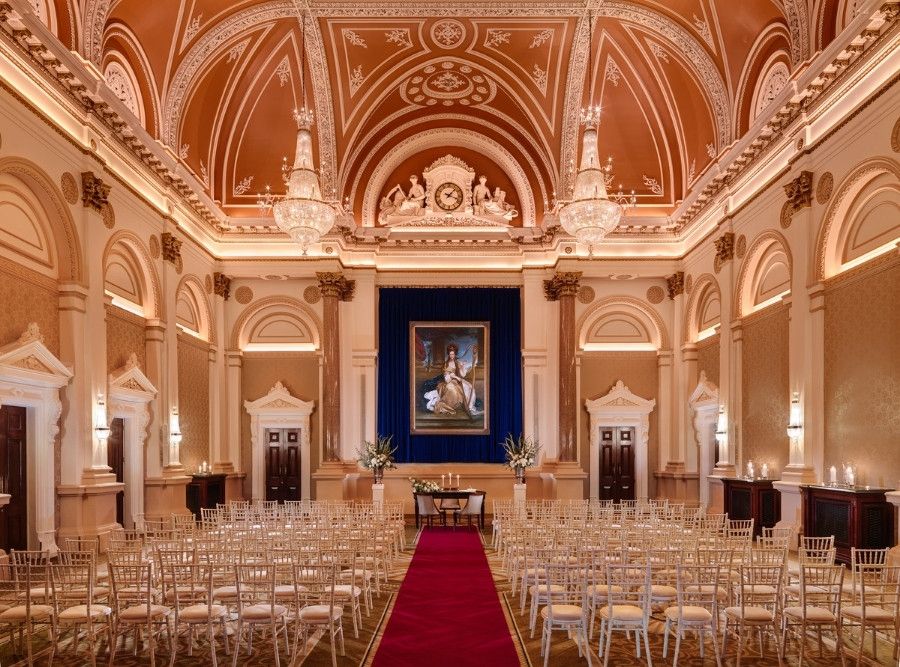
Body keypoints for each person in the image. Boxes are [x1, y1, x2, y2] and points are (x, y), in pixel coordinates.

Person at [422, 344, 481, 417]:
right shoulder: (446, 364)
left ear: (455, 354)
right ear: (448, 354)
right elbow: (447, 379)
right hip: (449, 382)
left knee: (469, 387)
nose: (452, 356)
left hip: (457, 381)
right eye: (450, 354)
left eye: (453, 354)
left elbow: (462, 375)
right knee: (451, 389)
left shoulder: (458, 363)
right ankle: (450, 406)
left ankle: (470, 408)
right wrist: (453, 376)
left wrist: (462, 367)